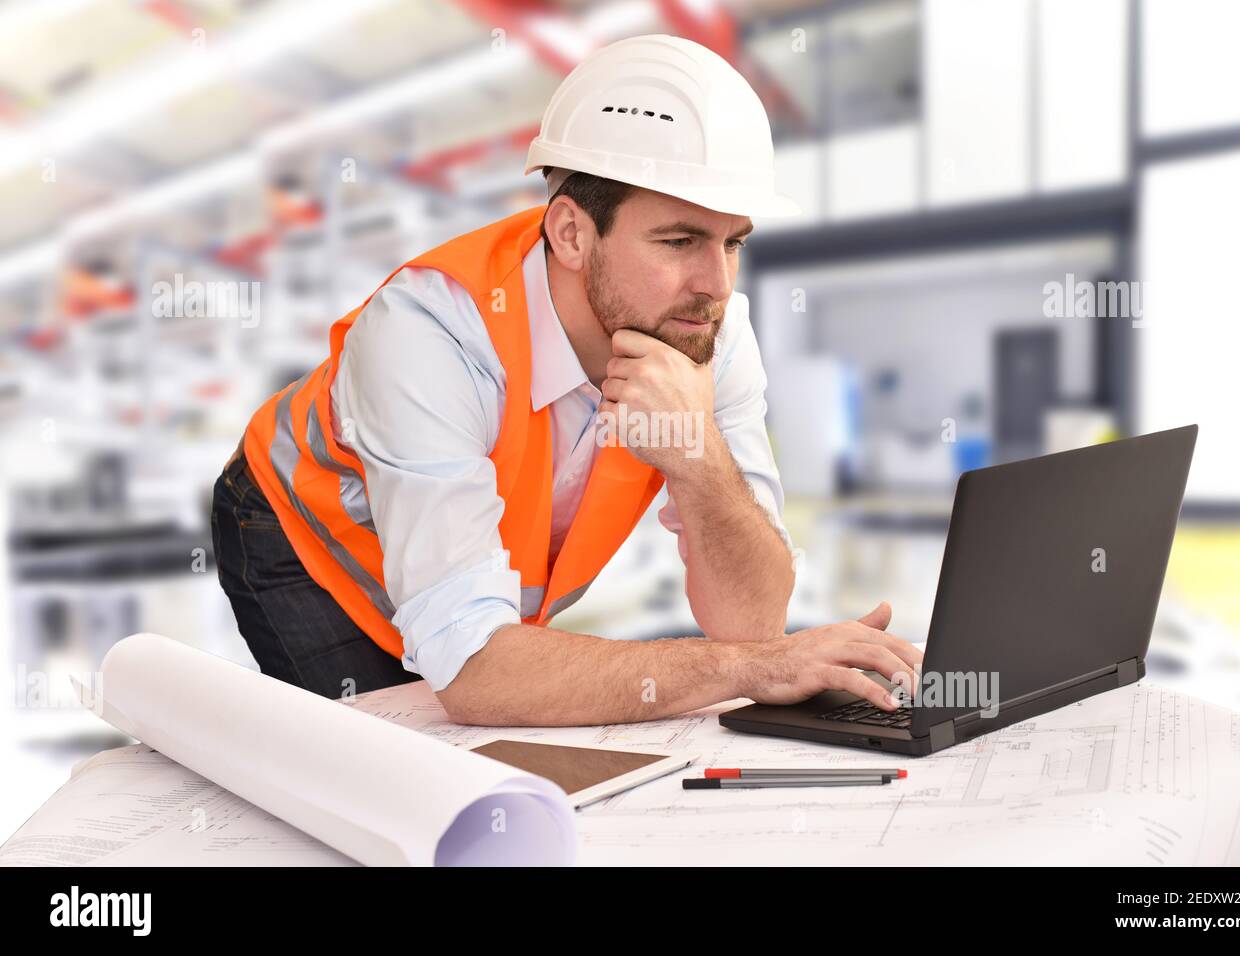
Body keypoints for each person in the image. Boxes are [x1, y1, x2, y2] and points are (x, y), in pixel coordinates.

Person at [211, 34, 921, 724]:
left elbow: (752, 620)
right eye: (678, 242)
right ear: (571, 234)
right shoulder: (431, 332)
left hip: (460, 582)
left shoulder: (707, 330)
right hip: (303, 538)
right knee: (379, 769)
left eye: (732, 242)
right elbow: (475, 672)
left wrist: (697, 453)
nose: (716, 284)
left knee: (496, 732)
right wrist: (746, 669)